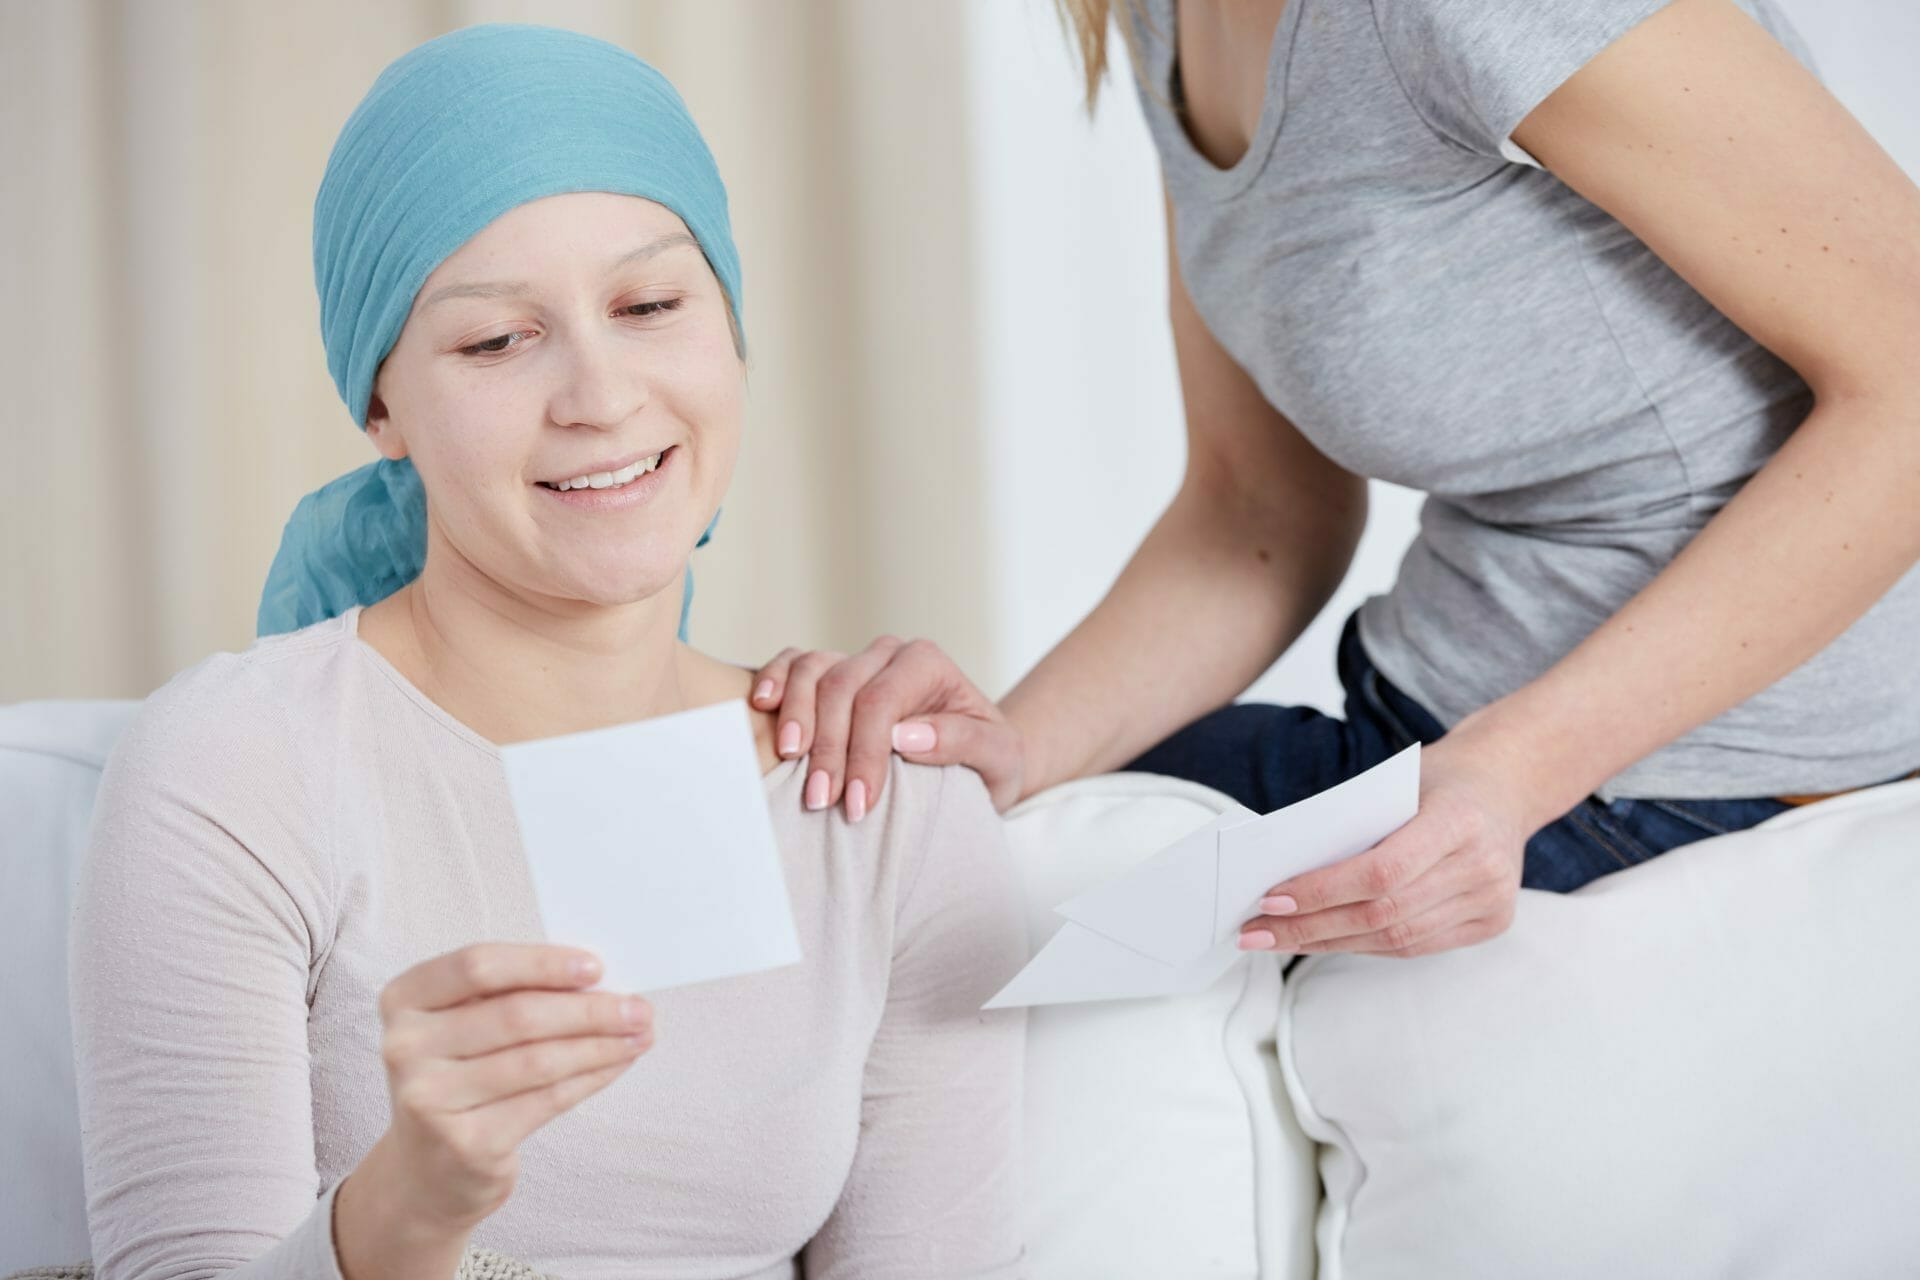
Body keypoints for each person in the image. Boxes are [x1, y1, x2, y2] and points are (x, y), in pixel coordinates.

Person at [68, 25, 1025, 1280]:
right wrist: (405, 1211)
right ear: (381, 405)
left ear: (729, 328)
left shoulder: (889, 807)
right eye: (495, 340)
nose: (599, 393)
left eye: (649, 305)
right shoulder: (239, 765)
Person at [752, 0, 1920, 959]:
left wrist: (1512, 777)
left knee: (964, 981)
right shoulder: (1167, 23)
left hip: (1707, 766)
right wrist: (1010, 755)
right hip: (1435, 716)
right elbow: (1254, 513)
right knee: (910, 915)